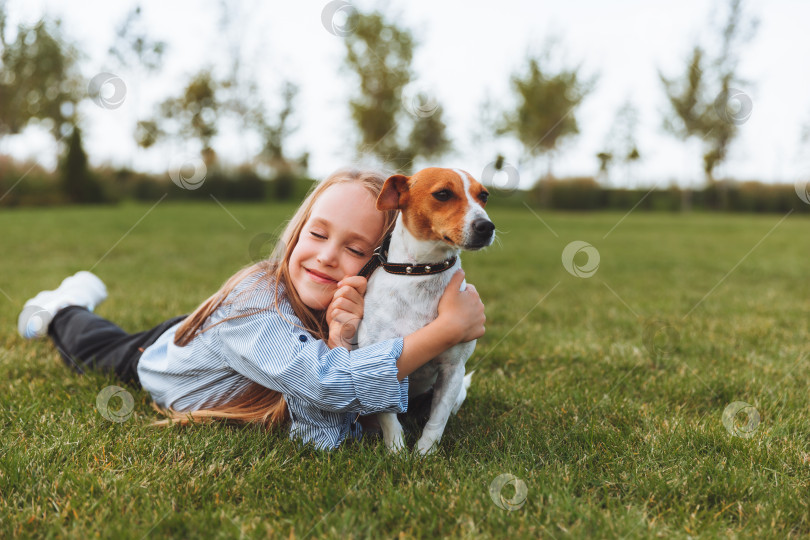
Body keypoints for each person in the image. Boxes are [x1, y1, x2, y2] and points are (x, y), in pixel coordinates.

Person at [17, 168, 486, 450]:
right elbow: (327, 385)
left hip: (242, 342)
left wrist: (340, 340)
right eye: (318, 235)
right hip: (166, 357)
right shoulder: (255, 311)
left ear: (380, 261)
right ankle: (65, 305)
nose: (326, 256)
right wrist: (446, 331)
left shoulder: (354, 307)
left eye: (355, 247)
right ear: (297, 231)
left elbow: (322, 434)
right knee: (95, 346)